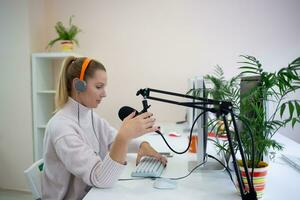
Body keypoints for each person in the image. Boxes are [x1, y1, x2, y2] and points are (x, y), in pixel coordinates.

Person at [42, 57, 167, 199]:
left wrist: (141, 145)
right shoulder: (62, 128)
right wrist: (124, 136)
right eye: (98, 87)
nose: (104, 93)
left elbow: (113, 140)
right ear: (78, 85)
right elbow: (101, 179)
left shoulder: (89, 115)